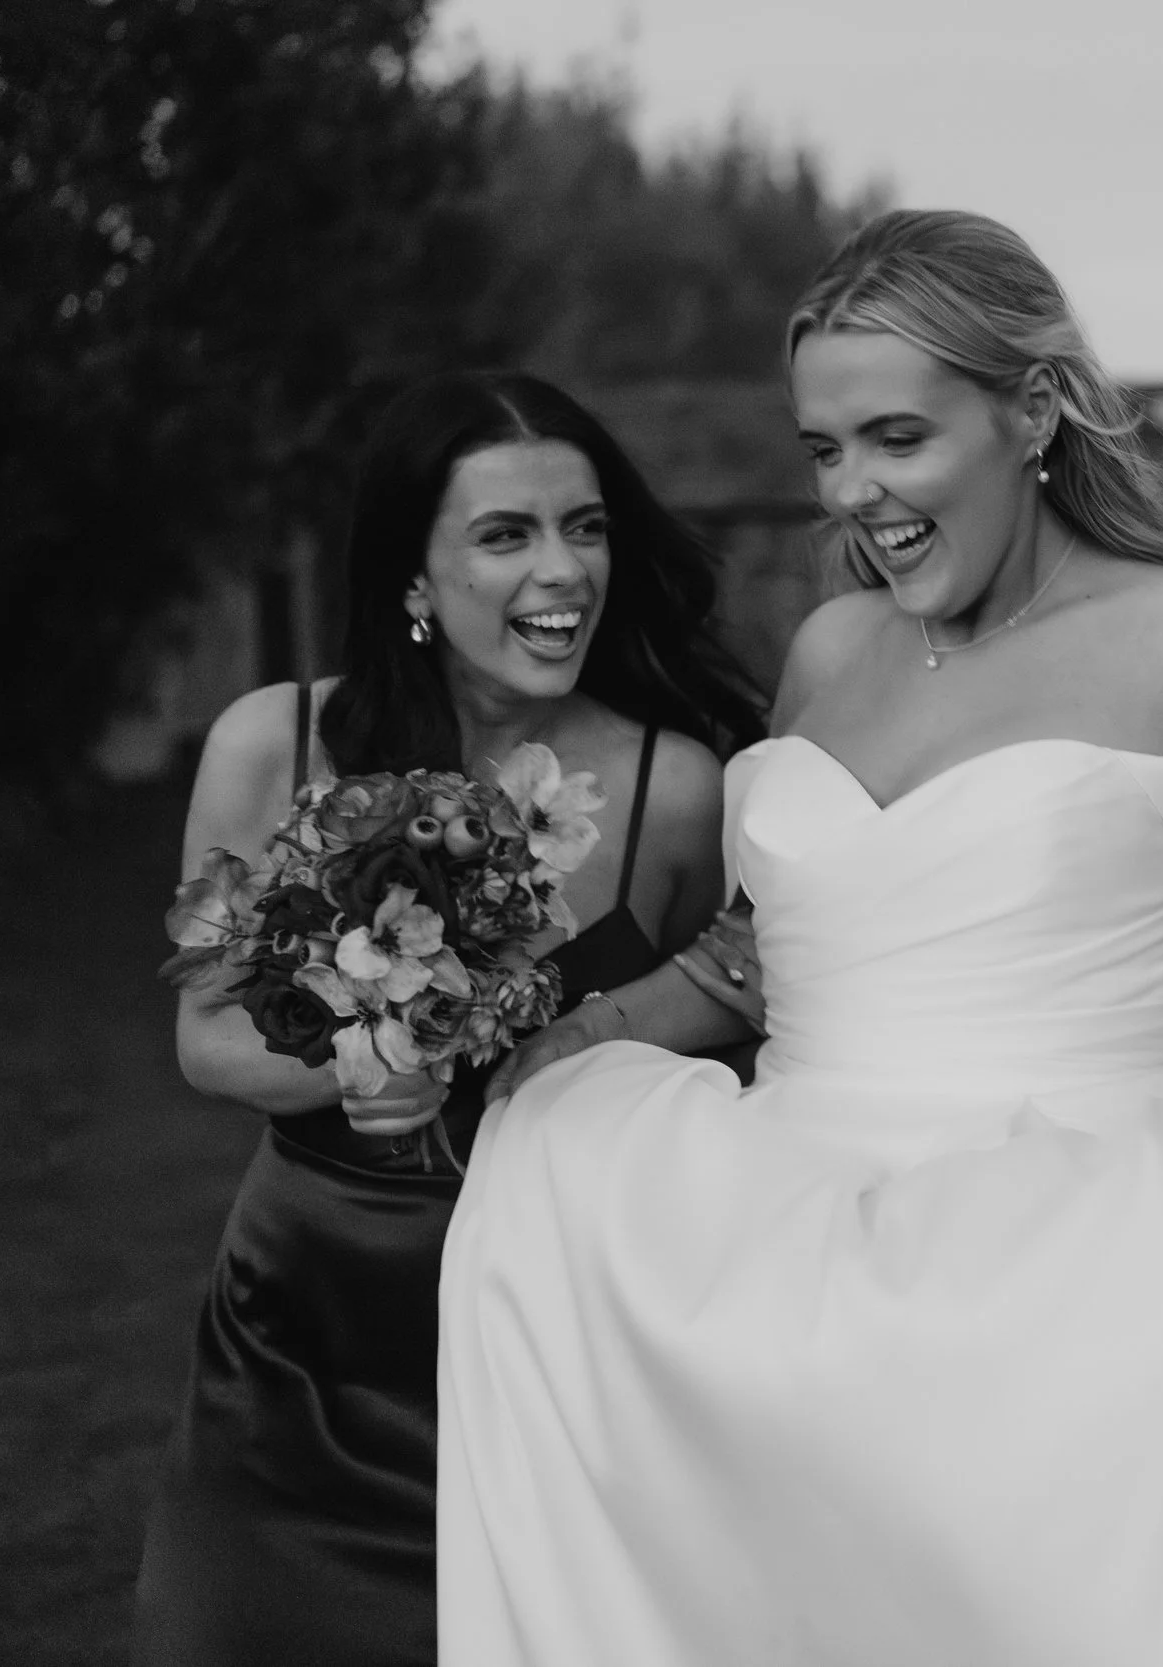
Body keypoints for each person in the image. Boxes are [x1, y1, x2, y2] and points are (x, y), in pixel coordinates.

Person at [436, 210, 1163, 1666]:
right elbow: (760, 956)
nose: (855, 492)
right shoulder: (834, 649)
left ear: (1033, 408)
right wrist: (573, 1037)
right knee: (546, 1229)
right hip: (795, 1204)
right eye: (824, 449)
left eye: (896, 436)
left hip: (1080, 1209)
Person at [131, 372, 762, 1667]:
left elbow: (728, 1025)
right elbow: (207, 1037)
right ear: (415, 575)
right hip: (306, 1332)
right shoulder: (276, 742)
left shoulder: (674, 787)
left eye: (585, 527)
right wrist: (366, 1061)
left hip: (557, 1334)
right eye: (506, 534)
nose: (564, 570)